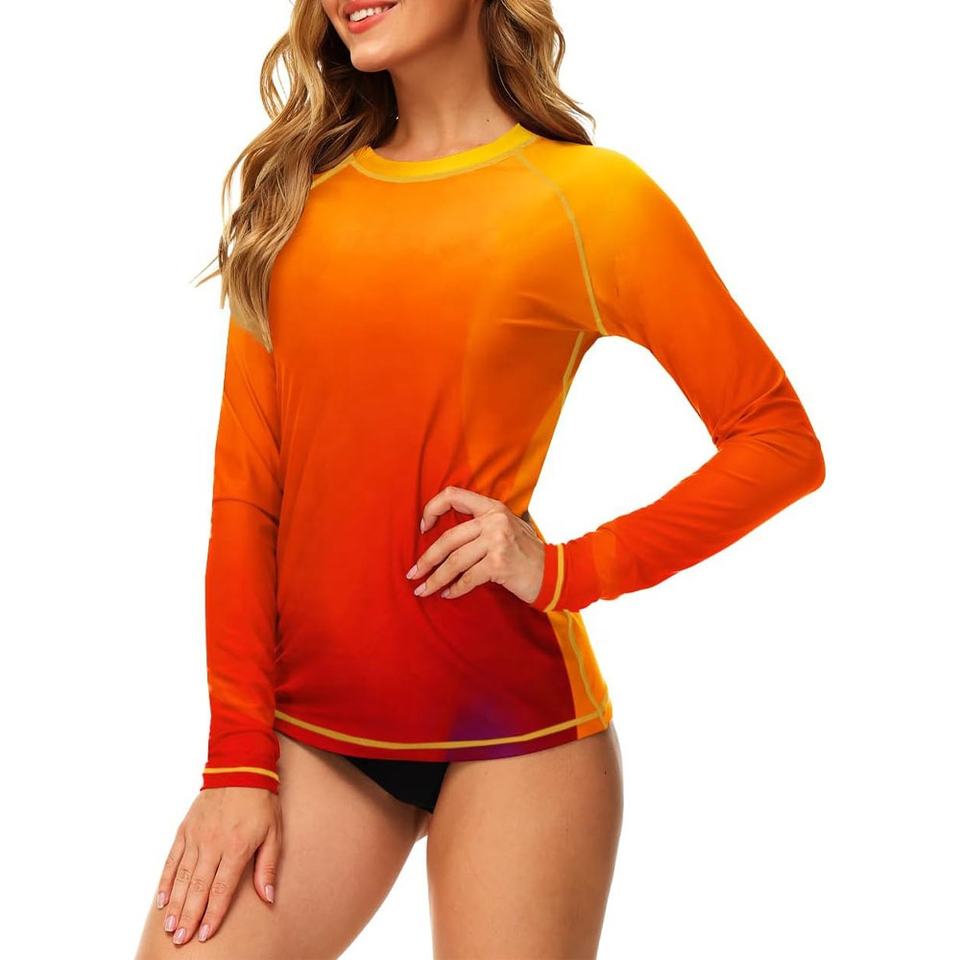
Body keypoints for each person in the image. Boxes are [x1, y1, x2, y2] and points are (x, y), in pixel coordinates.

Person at [135, 0, 826, 956]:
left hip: (520, 736)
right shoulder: (292, 205)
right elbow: (248, 502)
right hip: (316, 734)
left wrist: (570, 569)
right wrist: (235, 767)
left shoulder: (589, 199)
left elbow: (778, 441)